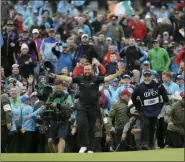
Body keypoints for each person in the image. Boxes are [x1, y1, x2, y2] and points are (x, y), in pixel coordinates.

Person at [50, 64, 123, 153]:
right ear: (83, 70)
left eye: (88, 70)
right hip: (82, 106)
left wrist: (117, 74)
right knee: (81, 125)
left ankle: (91, 148)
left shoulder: (96, 78)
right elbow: (67, 79)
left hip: (94, 107)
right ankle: (83, 145)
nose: (87, 71)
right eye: (85, 70)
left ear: (92, 70)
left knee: (91, 128)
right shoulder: (79, 78)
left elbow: (107, 78)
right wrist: (56, 76)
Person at [131, 70, 169, 150]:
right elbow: (133, 97)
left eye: (149, 76)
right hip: (145, 111)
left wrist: (164, 101)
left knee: (152, 127)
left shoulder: (157, 84)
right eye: (146, 76)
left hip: (155, 110)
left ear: (151, 76)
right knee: (145, 126)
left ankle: (151, 144)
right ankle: (144, 144)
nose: (147, 78)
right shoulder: (140, 87)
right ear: (143, 77)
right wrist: (138, 106)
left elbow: (163, 91)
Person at [1, 86, 12, 153]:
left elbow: (7, 110)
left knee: (2, 142)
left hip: (3, 123)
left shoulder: (3, 97)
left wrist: (9, 122)